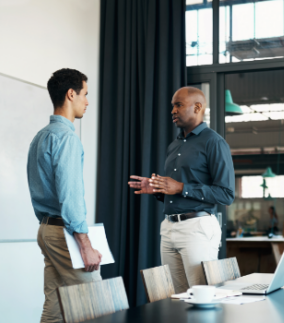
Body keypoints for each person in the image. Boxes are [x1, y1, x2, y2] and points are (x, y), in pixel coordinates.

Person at [128, 87, 235, 293]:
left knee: (201, 297)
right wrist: (158, 189)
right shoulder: (174, 145)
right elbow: (176, 192)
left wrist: (181, 187)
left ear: (197, 107)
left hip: (198, 228)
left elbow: (226, 194)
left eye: (178, 105)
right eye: (172, 106)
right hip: (168, 228)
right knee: (176, 299)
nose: (173, 111)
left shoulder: (214, 142)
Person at [27, 68, 102, 323]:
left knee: (55, 308)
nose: (87, 101)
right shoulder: (67, 138)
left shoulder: (40, 137)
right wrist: (85, 244)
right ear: (71, 94)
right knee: (98, 303)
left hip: (46, 230)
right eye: (85, 94)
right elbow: (70, 195)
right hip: (64, 234)